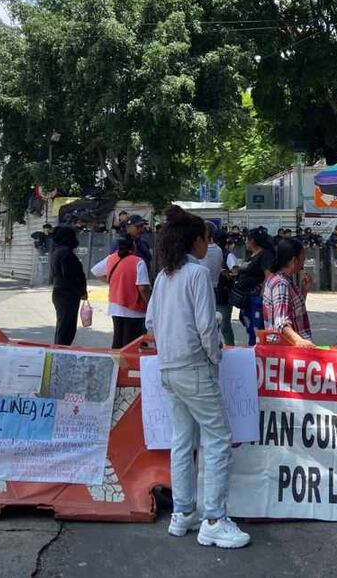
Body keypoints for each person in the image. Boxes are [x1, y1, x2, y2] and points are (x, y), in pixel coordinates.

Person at [145, 206, 250, 549]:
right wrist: (214, 357)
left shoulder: (164, 277)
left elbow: (150, 324)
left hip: (168, 368)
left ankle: (183, 514)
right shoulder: (198, 274)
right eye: (207, 237)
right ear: (197, 241)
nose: (210, 243)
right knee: (217, 439)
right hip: (195, 367)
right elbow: (209, 326)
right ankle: (215, 520)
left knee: (182, 440)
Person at [91, 233, 150, 349]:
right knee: (132, 343)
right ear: (133, 245)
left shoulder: (111, 258)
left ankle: (117, 365)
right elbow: (143, 287)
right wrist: (149, 302)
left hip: (115, 306)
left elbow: (95, 271)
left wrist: (112, 281)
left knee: (118, 340)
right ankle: (129, 366)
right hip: (135, 308)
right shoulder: (138, 261)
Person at [263, 238, 315, 347]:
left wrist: (303, 291)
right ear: (294, 260)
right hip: (288, 349)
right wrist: (298, 341)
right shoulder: (281, 284)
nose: (303, 264)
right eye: (302, 259)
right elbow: (281, 323)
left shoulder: (279, 278)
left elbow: (290, 310)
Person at [235, 229, 275, 346]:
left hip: (256, 298)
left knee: (257, 328)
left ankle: (257, 351)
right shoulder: (252, 255)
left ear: (252, 241)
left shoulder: (265, 255)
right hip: (246, 298)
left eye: (246, 239)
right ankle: (252, 347)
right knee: (249, 325)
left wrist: (261, 296)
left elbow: (268, 275)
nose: (245, 242)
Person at [49, 226, 87, 346]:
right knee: (66, 328)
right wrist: (81, 291)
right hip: (67, 294)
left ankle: (60, 350)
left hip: (62, 292)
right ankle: (60, 353)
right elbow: (70, 276)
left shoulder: (57, 250)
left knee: (64, 326)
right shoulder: (65, 253)